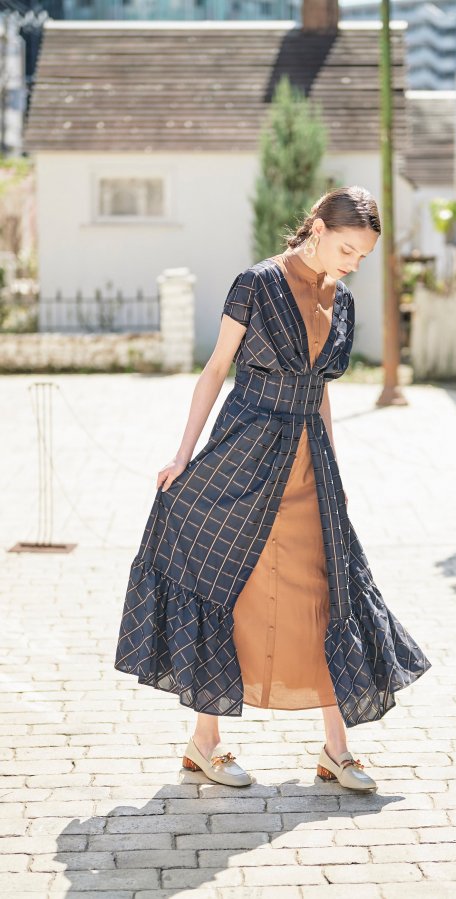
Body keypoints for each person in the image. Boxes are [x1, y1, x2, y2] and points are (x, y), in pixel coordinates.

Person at [114, 185, 432, 794]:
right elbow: (216, 369)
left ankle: (336, 751)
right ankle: (205, 743)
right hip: (245, 451)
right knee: (229, 585)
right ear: (318, 228)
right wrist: (183, 455)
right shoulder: (255, 284)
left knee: (327, 591)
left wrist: (334, 468)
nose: (352, 263)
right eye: (346, 249)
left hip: (310, 461)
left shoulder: (342, 299)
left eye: (362, 256)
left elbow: (322, 391)